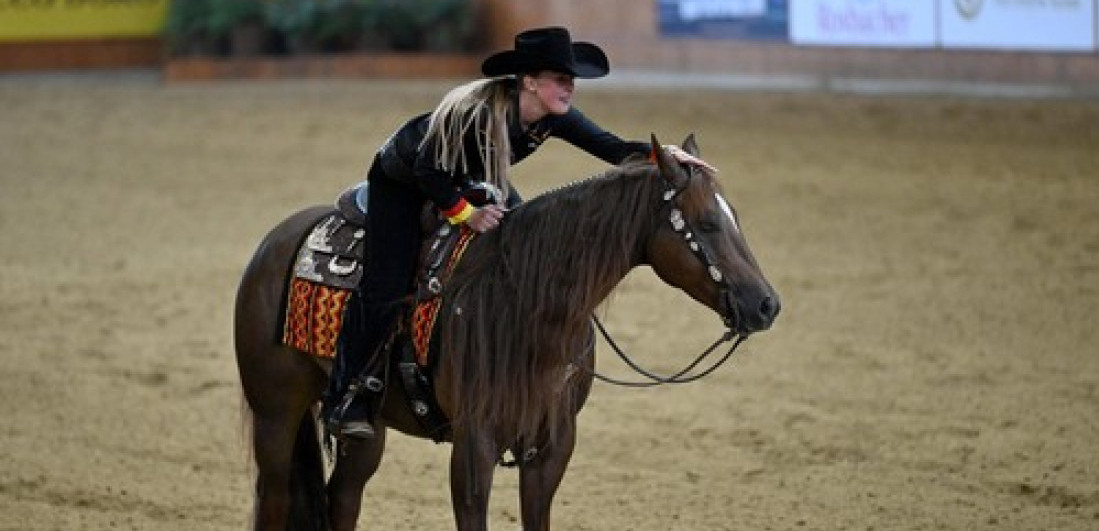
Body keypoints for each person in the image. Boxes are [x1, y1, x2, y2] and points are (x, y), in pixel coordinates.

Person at [325, 26, 712, 439]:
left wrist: (664, 155)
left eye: (572, 80)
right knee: (385, 285)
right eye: (561, 79)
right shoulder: (479, 115)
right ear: (530, 81)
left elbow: (614, 149)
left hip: (472, 175)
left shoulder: (553, 118)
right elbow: (427, 170)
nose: (570, 88)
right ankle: (346, 396)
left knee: (521, 243)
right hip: (403, 181)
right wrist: (466, 215)